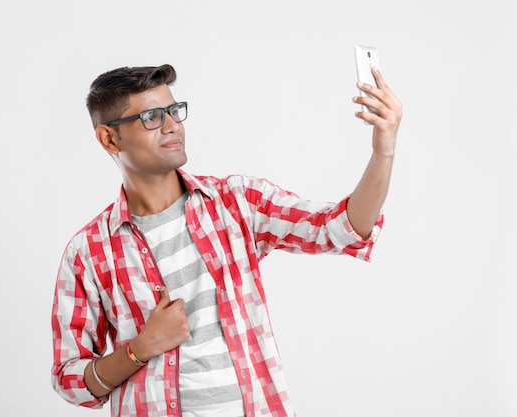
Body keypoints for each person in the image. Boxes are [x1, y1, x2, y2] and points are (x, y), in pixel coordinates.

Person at [51, 63, 402, 417]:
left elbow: (339, 228)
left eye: (174, 111)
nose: (173, 125)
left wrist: (383, 151)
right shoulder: (89, 252)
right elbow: (70, 380)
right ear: (109, 138)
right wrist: (139, 348)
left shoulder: (237, 203)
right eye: (152, 117)